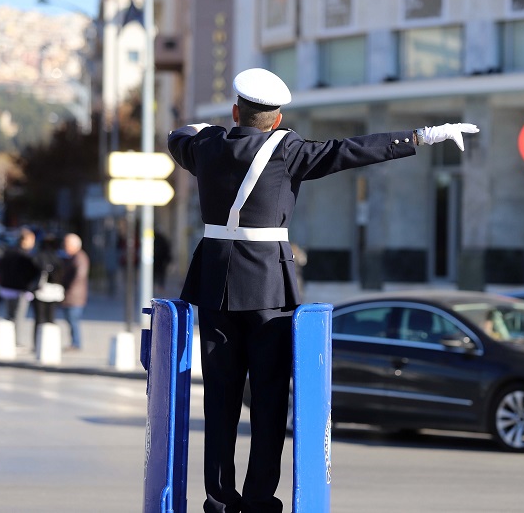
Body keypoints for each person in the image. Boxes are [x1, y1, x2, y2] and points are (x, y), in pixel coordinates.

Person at [168, 67, 478, 513]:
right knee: (270, 401)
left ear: (236, 111)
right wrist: (423, 136)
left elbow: (178, 137)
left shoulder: (206, 146)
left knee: (219, 401)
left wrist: (197, 127)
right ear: (274, 120)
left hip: (215, 282)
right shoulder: (286, 148)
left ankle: (218, 502)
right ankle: (258, 502)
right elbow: (349, 151)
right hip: (268, 288)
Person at [0, 227, 40, 349]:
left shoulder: (9, 252)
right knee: (18, 317)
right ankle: (15, 341)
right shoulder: (25, 256)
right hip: (20, 289)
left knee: (9, 315)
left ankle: (6, 339)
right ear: (25, 241)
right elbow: (30, 273)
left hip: (7, 288)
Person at [32, 235, 65, 350]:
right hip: (54, 291)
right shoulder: (58, 257)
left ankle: (38, 344)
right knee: (51, 318)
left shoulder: (38, 256)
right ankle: (50, 345)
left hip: (40, 290)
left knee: (39, 318)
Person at [59, 233, 89, 351]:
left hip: (74, 296)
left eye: (67, 244)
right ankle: (74, 342)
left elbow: (78, 276)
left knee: (73, 320)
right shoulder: (73, 257)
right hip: (72, 295)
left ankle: (76, 343)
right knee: (70, 320)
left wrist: (67, 288)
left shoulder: (79, 257)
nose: (64, 247)